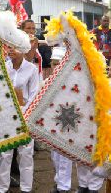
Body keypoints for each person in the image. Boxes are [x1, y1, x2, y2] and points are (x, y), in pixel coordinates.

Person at [0, 46, 39, 193]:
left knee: (26, 154)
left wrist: (24, 115)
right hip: (6, 115)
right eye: (10, 47)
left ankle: (26, 188)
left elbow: (34, 95)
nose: (11, 50)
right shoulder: (2, 67)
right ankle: (2, 188)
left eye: (16, 48)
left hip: (25, 115)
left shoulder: (31, 69)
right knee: (5, 154)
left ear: (24, 50)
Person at [47, 46, 73, 193]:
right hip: (52, 126)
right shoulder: (48, 81)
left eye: (59, 63)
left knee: (65, 157)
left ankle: (64, 186)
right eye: (53, 63)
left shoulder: (73, 83)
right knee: (54, 155)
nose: (56, 67)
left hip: (68, 126)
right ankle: (58, 182)